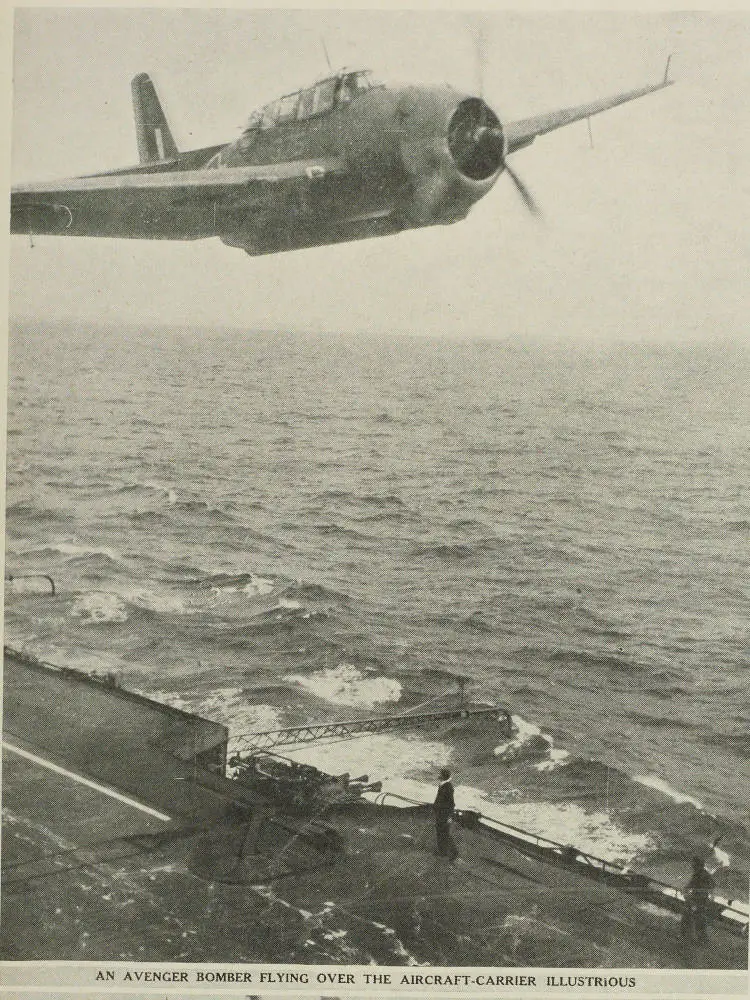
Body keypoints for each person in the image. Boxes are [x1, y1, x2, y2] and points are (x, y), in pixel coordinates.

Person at [681, 856, 715, 948]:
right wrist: (686, 889)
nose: (692, 866)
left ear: (698, 865)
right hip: (696, 899)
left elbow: (711, 886)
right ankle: (692, 938)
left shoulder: (702, 875)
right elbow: (691, 884)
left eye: (694, 864)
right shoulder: (699, 874)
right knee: (693, 918)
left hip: (699, 900)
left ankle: (701, 940)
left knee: (697, 919)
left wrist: (691, 891)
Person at [434, 768, 458, 861]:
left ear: (443, 776)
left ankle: (454, 852)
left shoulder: (448, 787)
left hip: (444, 815)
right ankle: (442, 852)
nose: (439, 775)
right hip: (440, 814)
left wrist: (449, 817)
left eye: (440, 774)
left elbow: (451, 804)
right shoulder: (442, 785)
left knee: (445, 833)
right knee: (440, 832)